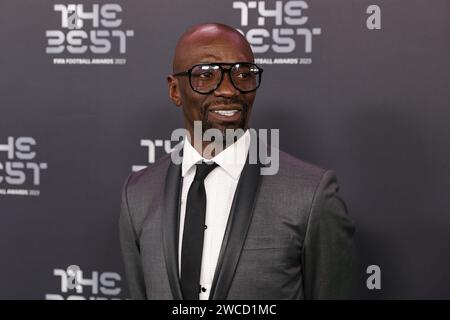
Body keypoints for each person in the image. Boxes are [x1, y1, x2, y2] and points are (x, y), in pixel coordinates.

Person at [119, 22, 356, 300]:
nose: (230, 90)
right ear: (174, 90)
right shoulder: (137, 194)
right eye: (206, 75)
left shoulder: (311, 194)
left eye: (243, 74)